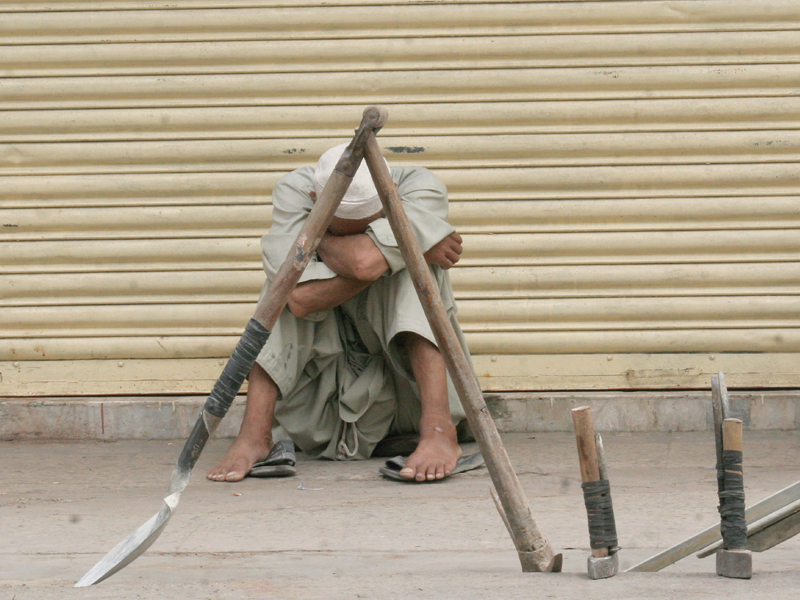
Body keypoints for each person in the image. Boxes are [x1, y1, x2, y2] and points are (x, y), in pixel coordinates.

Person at [207, 143, 476, 483]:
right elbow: (302, 299)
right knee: (283, 286)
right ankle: (255, 434)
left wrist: (314, 237)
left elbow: (364, 264)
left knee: (417, 271)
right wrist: (411, 245)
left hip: (405, 397)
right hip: (324, 409)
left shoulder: (420, 187)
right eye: (338, 226)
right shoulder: (295, 190)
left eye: (371, 224)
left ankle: (438, 431)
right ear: (314, 197)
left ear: (388, 196)